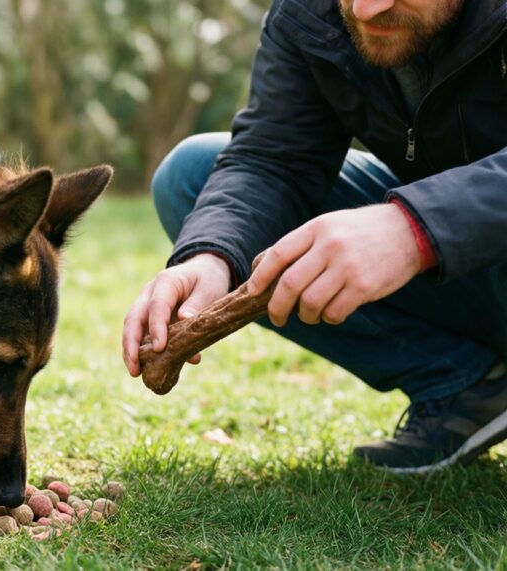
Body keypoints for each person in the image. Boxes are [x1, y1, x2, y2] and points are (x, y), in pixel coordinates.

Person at [124, 0, 507, 473]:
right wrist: (210, 257)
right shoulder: (309, 13)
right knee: (192, 177)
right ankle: (466, 386)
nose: (367, 9)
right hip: (477, 275)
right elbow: (273, 158)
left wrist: (417, 228)